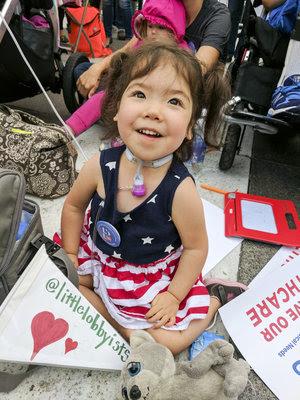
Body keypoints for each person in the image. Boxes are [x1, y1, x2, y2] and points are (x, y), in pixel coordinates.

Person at [56, 42, 246, 355]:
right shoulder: (99, 166)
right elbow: (74, 207)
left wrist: (173, 296)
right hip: (100, 256)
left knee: (168, 345)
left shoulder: (180, 190)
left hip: (146, 277)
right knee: (62, 281)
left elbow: (196, 248)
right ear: (117, 107)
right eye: (140, 94)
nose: (153, 111)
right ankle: (124, 326)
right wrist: (73, 253)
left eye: (173, 101)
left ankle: (213, 300)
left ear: (189, 127)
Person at [66, 0, 191, 137]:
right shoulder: (143, 43)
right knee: (82, 68)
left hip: (142, 99)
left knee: (104, 97)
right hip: (123, 83)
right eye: (150, 25)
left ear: (175, 30)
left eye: (161, 27)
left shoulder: (180, 55)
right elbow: (120, 64)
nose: (153, 31)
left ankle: (69, 129)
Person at [75, 0, 231, 99]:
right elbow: (131, 47)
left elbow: (200, 67)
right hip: (143, 76)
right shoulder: (165, 4)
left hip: (179, 90)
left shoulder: (217, 15)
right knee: (84, 70)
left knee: (109, 89)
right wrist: (98, 67)